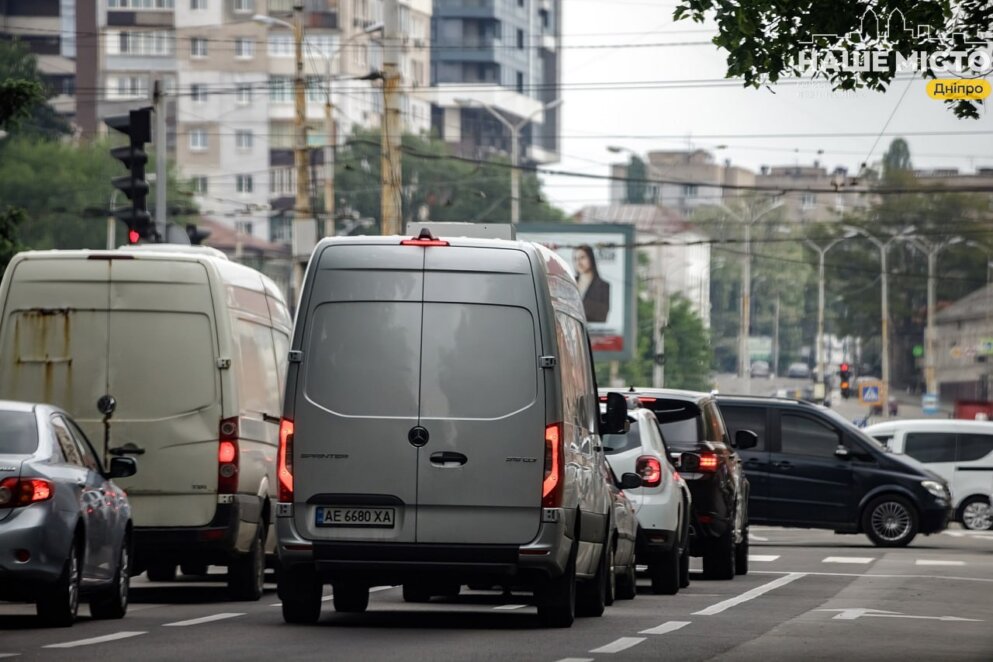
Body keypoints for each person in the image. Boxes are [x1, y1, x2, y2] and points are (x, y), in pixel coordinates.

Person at [573, 245, 610, 323]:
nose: (578, 263)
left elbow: (601, 315)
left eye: (582, 258)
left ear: (591, 259)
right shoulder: (569, 282)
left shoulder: (603, 286)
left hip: (592, 329)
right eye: (576, 259)